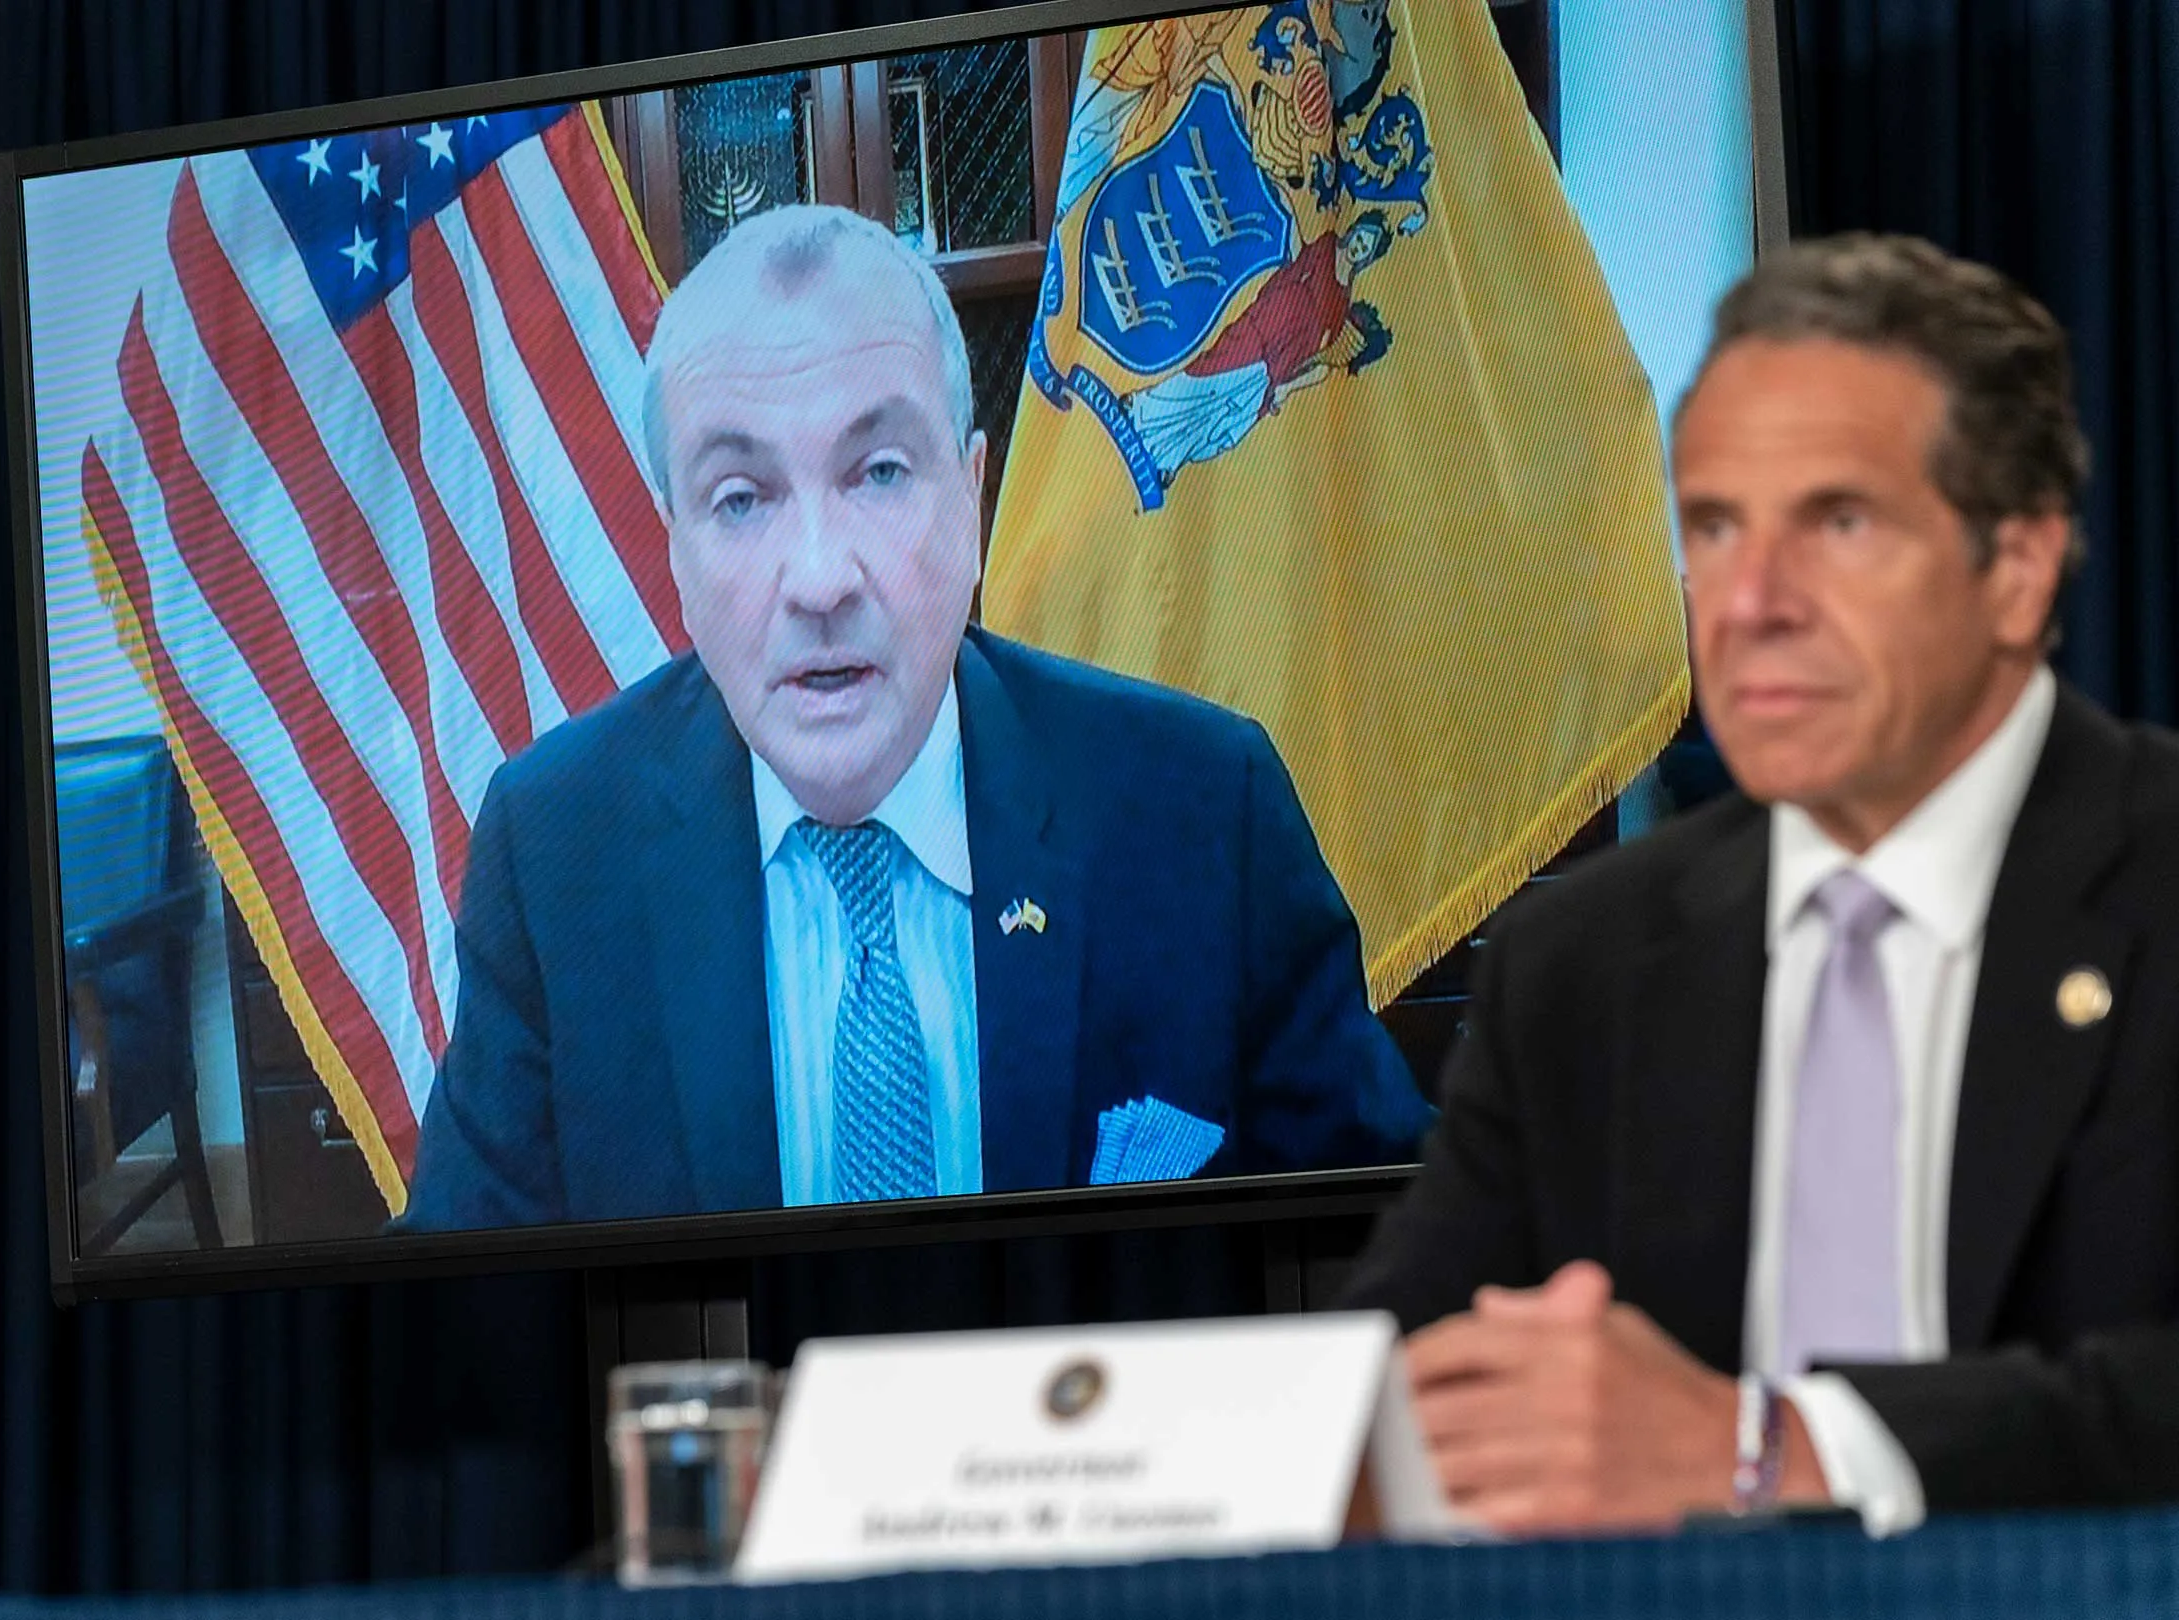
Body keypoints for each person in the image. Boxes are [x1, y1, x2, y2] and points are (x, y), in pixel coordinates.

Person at [1341, 234, 2179, 1535]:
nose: (1751, 603)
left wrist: (1781, 1448)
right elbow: (1395, 1391)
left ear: (2015, 570)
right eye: (1715, 528)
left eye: (1838, 523)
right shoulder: (1581, 962)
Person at [403, 204, 1430, 1229]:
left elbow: (1392, 1253)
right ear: (674, 551)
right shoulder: (554, 853)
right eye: (739, 499)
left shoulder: (1203, 808)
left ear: (970, 501)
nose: (817, 580)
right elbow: (464, 1323)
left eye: (880, 472)